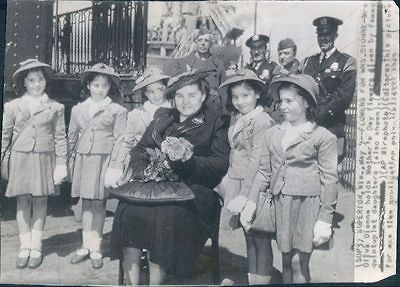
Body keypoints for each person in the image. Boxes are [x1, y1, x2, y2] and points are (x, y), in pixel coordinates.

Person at [110, 70, 230, 285]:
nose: (185, 102)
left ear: (203, 95)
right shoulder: (163, 117)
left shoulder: (215, 121)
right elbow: (140, 149)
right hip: (155, 185)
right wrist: (144, 171)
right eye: (180, 96)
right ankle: (132, 284)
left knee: (164, 217)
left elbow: (219, 163)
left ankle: (155, 284)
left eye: (192, 95)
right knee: (126, 211)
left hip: (194, 189)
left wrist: (188, 160)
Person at [264, 74, 338, 283]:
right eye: (280, 101)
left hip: (307, 205)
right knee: (286, 260)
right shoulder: (274, 133)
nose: (282, 106)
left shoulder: (322, 137)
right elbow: (265, 169)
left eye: (289, 101)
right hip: (282, 203)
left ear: (306, 102)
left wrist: (325, 218)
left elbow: (330, 179)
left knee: (299, 263)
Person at [1, 59, 68, 269]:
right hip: (21, 157)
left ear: (45, 81)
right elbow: (5, 136)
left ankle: (36, 246)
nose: (37, 84)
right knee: (23, 201)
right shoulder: (12, 106)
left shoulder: (56, 107)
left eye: (40, 79)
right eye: (31, 80)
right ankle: (24, 246)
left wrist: (61, 164)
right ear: (24, 83)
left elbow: (60, 137)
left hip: (43, 157)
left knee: (40, 201)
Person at [217, 69, 275, 285]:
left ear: (257, 94)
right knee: (248, 236)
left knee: (259, 237)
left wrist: (246, 195)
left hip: (254, 185)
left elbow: (258, 161)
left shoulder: (262, 121)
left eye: (245, 95)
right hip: (237, 179)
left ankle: (262, 281)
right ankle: (253, 278)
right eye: (235, 97)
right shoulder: (237, 118)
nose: (240, 101)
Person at [68, 63, 127, 269]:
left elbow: (121, 139)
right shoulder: (77, 109)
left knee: (99, 204)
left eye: (104, 85)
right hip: (84, 160)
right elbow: (71, 137)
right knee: (85, 203)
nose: (100, 89)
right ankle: (85, 245)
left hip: (104, 161)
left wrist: (115, 165)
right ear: (88, 86)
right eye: (96, 85)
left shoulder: (117, 110)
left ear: (110, 87)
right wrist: (67, 163)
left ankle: (96, 249)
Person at [105, 67, 171, 195]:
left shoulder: (174, 111)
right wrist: (117, 166)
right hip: (141, 164)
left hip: (169, 164)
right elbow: (127, 142)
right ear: (145, 94)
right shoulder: (136, 114)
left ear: (165, 89)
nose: (156, 95)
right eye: (151, 92)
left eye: (159, 90)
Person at [302, 16, 357, 162]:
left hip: (332, 127)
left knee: (329, 175)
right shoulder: (307, 62)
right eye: (320, 35)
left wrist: (318, 117)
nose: (323, 39)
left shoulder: (347, 62)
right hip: (307, 128)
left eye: (327, 34)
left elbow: (343, 97)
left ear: (335, 35)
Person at [162, 29, 227, 109]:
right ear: (195, 42)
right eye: (200, 40)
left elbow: (224, 90)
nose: (203, 43)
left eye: (206, 40)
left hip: (212, 107)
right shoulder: (184, 62)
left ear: (211, 43)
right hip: (190, 107)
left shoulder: (218, 63)